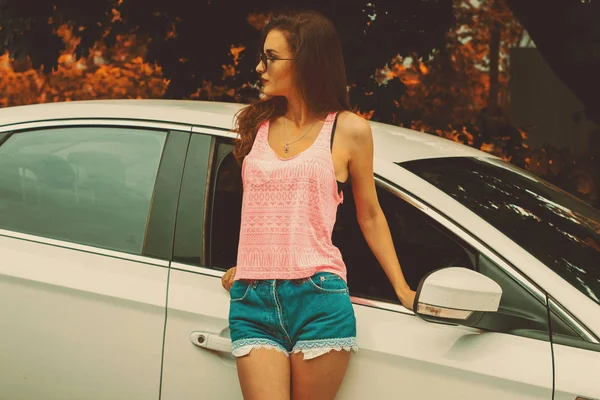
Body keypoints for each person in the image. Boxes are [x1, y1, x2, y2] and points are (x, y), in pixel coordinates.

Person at [220, 9, 416, 400]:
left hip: (319, 297)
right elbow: (255, 207)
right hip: (252, 299)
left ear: (306, 61)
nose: (260, 67)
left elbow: (370, 214)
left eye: (271, 58)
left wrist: (403, 287)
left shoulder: (349, 130)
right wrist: (248, 261)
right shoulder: (253, 125)